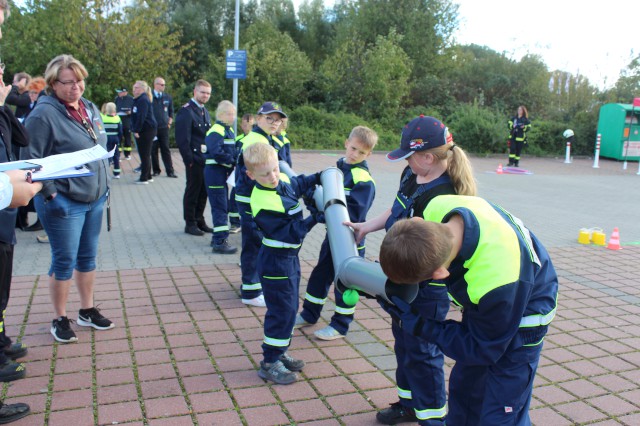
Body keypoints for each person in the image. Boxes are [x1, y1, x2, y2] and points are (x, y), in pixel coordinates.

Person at [378, 195, 558, 425]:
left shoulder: (496, 282)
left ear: (440, 275)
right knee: (466, 392)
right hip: (491, 304)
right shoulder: (437, 206)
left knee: (501, 413)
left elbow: (481, 349)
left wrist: (423, 326)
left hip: (525, 315)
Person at [346, 115, 477, 425]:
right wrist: (367, 226)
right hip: (403, 277)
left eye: (409, 156)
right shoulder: (413, 174)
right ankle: (408, 404)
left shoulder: (444, 198)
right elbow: (396, 208)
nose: (405, 162)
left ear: (428, 158)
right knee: (405, 343)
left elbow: (440, 256)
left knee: (423, 352)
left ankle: (433, 417)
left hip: (426, 287)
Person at [22, 54, 114, 344]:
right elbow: (30, 160)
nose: (76, 87)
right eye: (68, 82)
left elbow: (99, 145)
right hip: (64, 202)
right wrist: (51, 196)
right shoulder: (43, 114)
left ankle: (86, 310)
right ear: (53, 83)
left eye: (80, 80)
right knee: (64, 260)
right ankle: (60, 318)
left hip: (95, 197)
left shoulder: (88, 108)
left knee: (87, 258)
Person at [244, 142, 322, 385]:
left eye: (276, 169)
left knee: (289, 307)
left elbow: (295, 185)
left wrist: (318, 177)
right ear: (251, 175)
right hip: (277, 261)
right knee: (282, 310)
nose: (273, 176)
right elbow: (289, 232)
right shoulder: (263, 200)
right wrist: (315, 218)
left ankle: (280, 351)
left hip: (289, 258)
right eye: (265, 173)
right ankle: (269, 362)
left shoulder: (278, 183)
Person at [295, 126, 378, 340]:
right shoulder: (338, 170)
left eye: (361, 152)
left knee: (345, 283)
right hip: (332, 236)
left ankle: (340, 325)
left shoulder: (363, 179)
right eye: (353, 148)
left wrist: (328, 208)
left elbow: (357, 213)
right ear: (346, 143)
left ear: (368, 154)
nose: (354, 154)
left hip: (350, 240)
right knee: (320, 274)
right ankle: (309, 314)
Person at [0, 3, 37, 421]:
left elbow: (21, 137)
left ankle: (2, 343)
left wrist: (6, 104)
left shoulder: (5, 113)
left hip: (5, 221)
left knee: (2, 295)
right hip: (5, 208)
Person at [235, 102, 287, 307]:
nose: (274, 123)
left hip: (252, 198)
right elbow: (254, 175)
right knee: (253, 243)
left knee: (255, 242)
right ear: (258, 119)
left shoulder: (263, 138)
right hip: (251, 199)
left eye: (278, 119)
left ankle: (253, 284)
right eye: (269, 118)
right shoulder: (257, 140)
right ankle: (250, 291)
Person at [175, 79, 214, 236]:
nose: (205, 95)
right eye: (203, 92)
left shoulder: (204, 111)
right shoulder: (187, 111)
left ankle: (199, 220)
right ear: (195, 92)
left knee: (203, 191)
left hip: (205, 159)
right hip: (194, 160)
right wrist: (189, 160)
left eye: (208, 93)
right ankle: (189, 222)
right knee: (193, 190)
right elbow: (183, 139)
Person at [204, 100, 238, 254]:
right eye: (231, 114)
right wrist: (232, 161)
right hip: (215, 173)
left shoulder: (226, 130)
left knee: (221, 206)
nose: (234, 117)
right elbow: (217, 153)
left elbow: (231, 150)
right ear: (223, 114)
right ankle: (220, 242)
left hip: (219, 174)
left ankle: (217, 237)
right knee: (220, 207)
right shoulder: (217, 130)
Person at [229, 113, 254, 234]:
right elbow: (234, 155)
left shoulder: (254, 139)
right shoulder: (238, 139)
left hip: (249, 177)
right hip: (237, 176)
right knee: (233, 198)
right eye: (244, 125)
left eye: (249, 125)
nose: (246, 127)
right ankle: (234, 222)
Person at [131, 80, 157, 185]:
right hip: (144, 129)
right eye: (134, 87)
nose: (134, 89)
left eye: (136, 87)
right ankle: (148, 175)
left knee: (144, 153)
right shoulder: (138, 99)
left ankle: (144, 177)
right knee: (145, 153)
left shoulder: (143, 100)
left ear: (142, 89)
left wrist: (137, 130)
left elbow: (142, 116)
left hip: (146, 129)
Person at [151, 77, 177, 178]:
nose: (164, 87)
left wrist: (169, 122)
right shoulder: (150, 96)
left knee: (165, 149)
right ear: (155, 85)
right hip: (153, 128)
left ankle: (170, 171)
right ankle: (156, 170)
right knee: (153, 150)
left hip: (164, 127)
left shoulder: (167, 97)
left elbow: (171, 111)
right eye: (162, 85)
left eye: (164, 85)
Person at [100, 102, 123, 179]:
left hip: (106, 139)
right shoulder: (117, 118)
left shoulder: (102, 118)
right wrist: (119, 139)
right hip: (115, 139)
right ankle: (117, 173)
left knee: (107, 155)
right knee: (116, 155)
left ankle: (106, 172)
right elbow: (120, 131)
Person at [114, 88, 134, 160]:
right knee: (118, 137)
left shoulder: (131, 99)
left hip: (127, 120)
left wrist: (130, 112)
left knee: (127, 137)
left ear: (125, 92)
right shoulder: (117, 99)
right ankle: (118, 154)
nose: (119, 94)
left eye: (120, 92)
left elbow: (134, 110)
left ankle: (127, 154)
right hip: (118, 120)